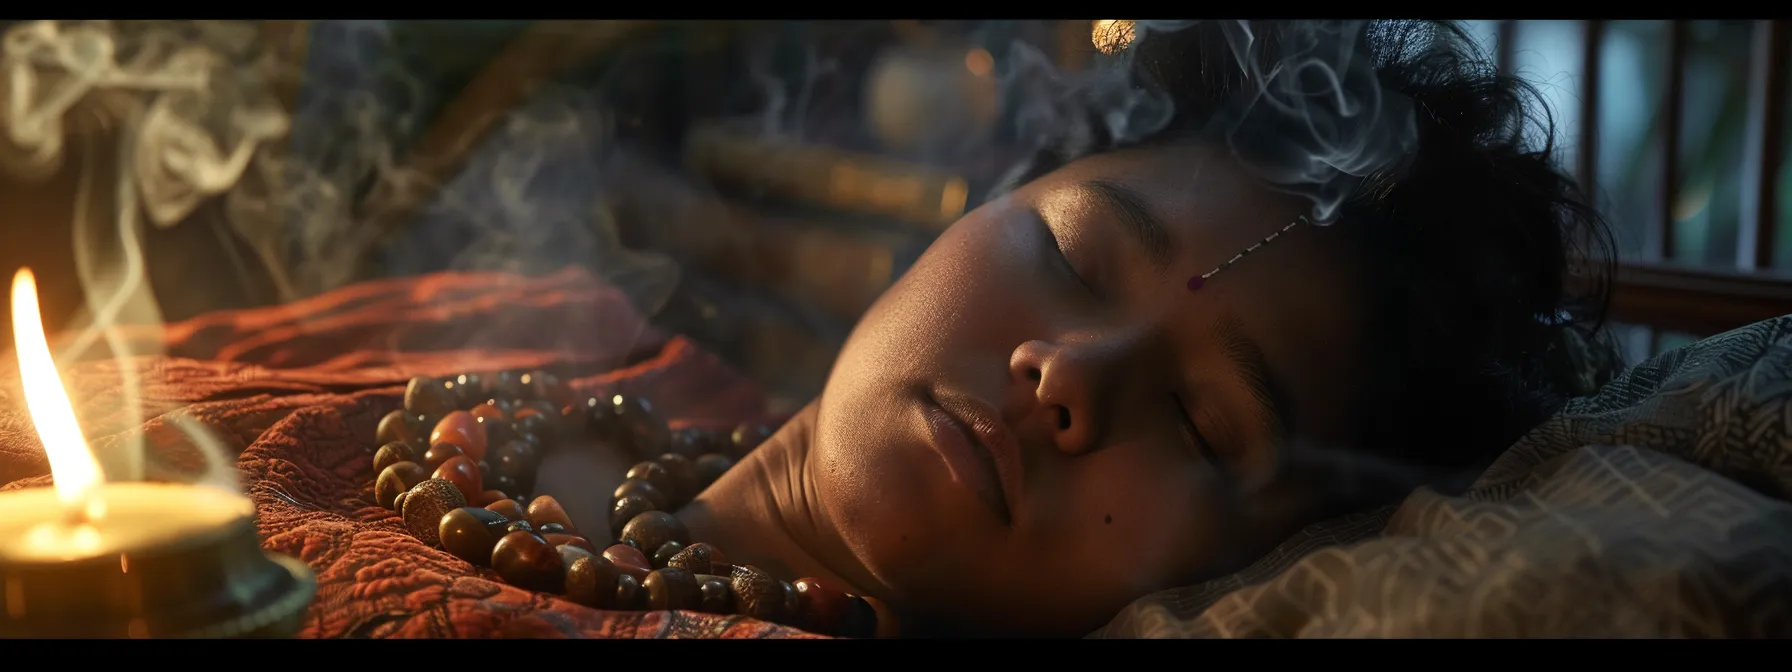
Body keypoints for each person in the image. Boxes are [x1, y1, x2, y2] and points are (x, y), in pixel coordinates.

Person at [540, 18, 1622, 637]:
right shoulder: (542, 341)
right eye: (1072, 256)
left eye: (1202, 426)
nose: (1068, 373)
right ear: (988, 199)